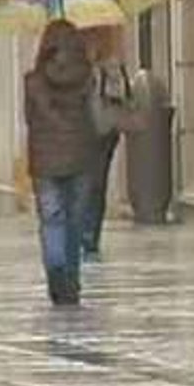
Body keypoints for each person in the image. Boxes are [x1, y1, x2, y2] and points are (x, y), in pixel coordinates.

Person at [25, 20, 94, 306]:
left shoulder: (32, 82)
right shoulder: (88, 77)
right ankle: (72, 280)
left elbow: (30, 119)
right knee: (75, 222)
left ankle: (56, 272)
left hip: (44, 160)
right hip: (81, 156)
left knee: (52, 219)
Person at [81, 25, 128, 262]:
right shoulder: (65, 61)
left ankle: (90, 235)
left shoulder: (111, 58)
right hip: (77, 130)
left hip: (103, 131)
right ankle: (83, 232)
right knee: (85, 182)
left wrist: (105, 69)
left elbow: (121, 94)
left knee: (97, 182)